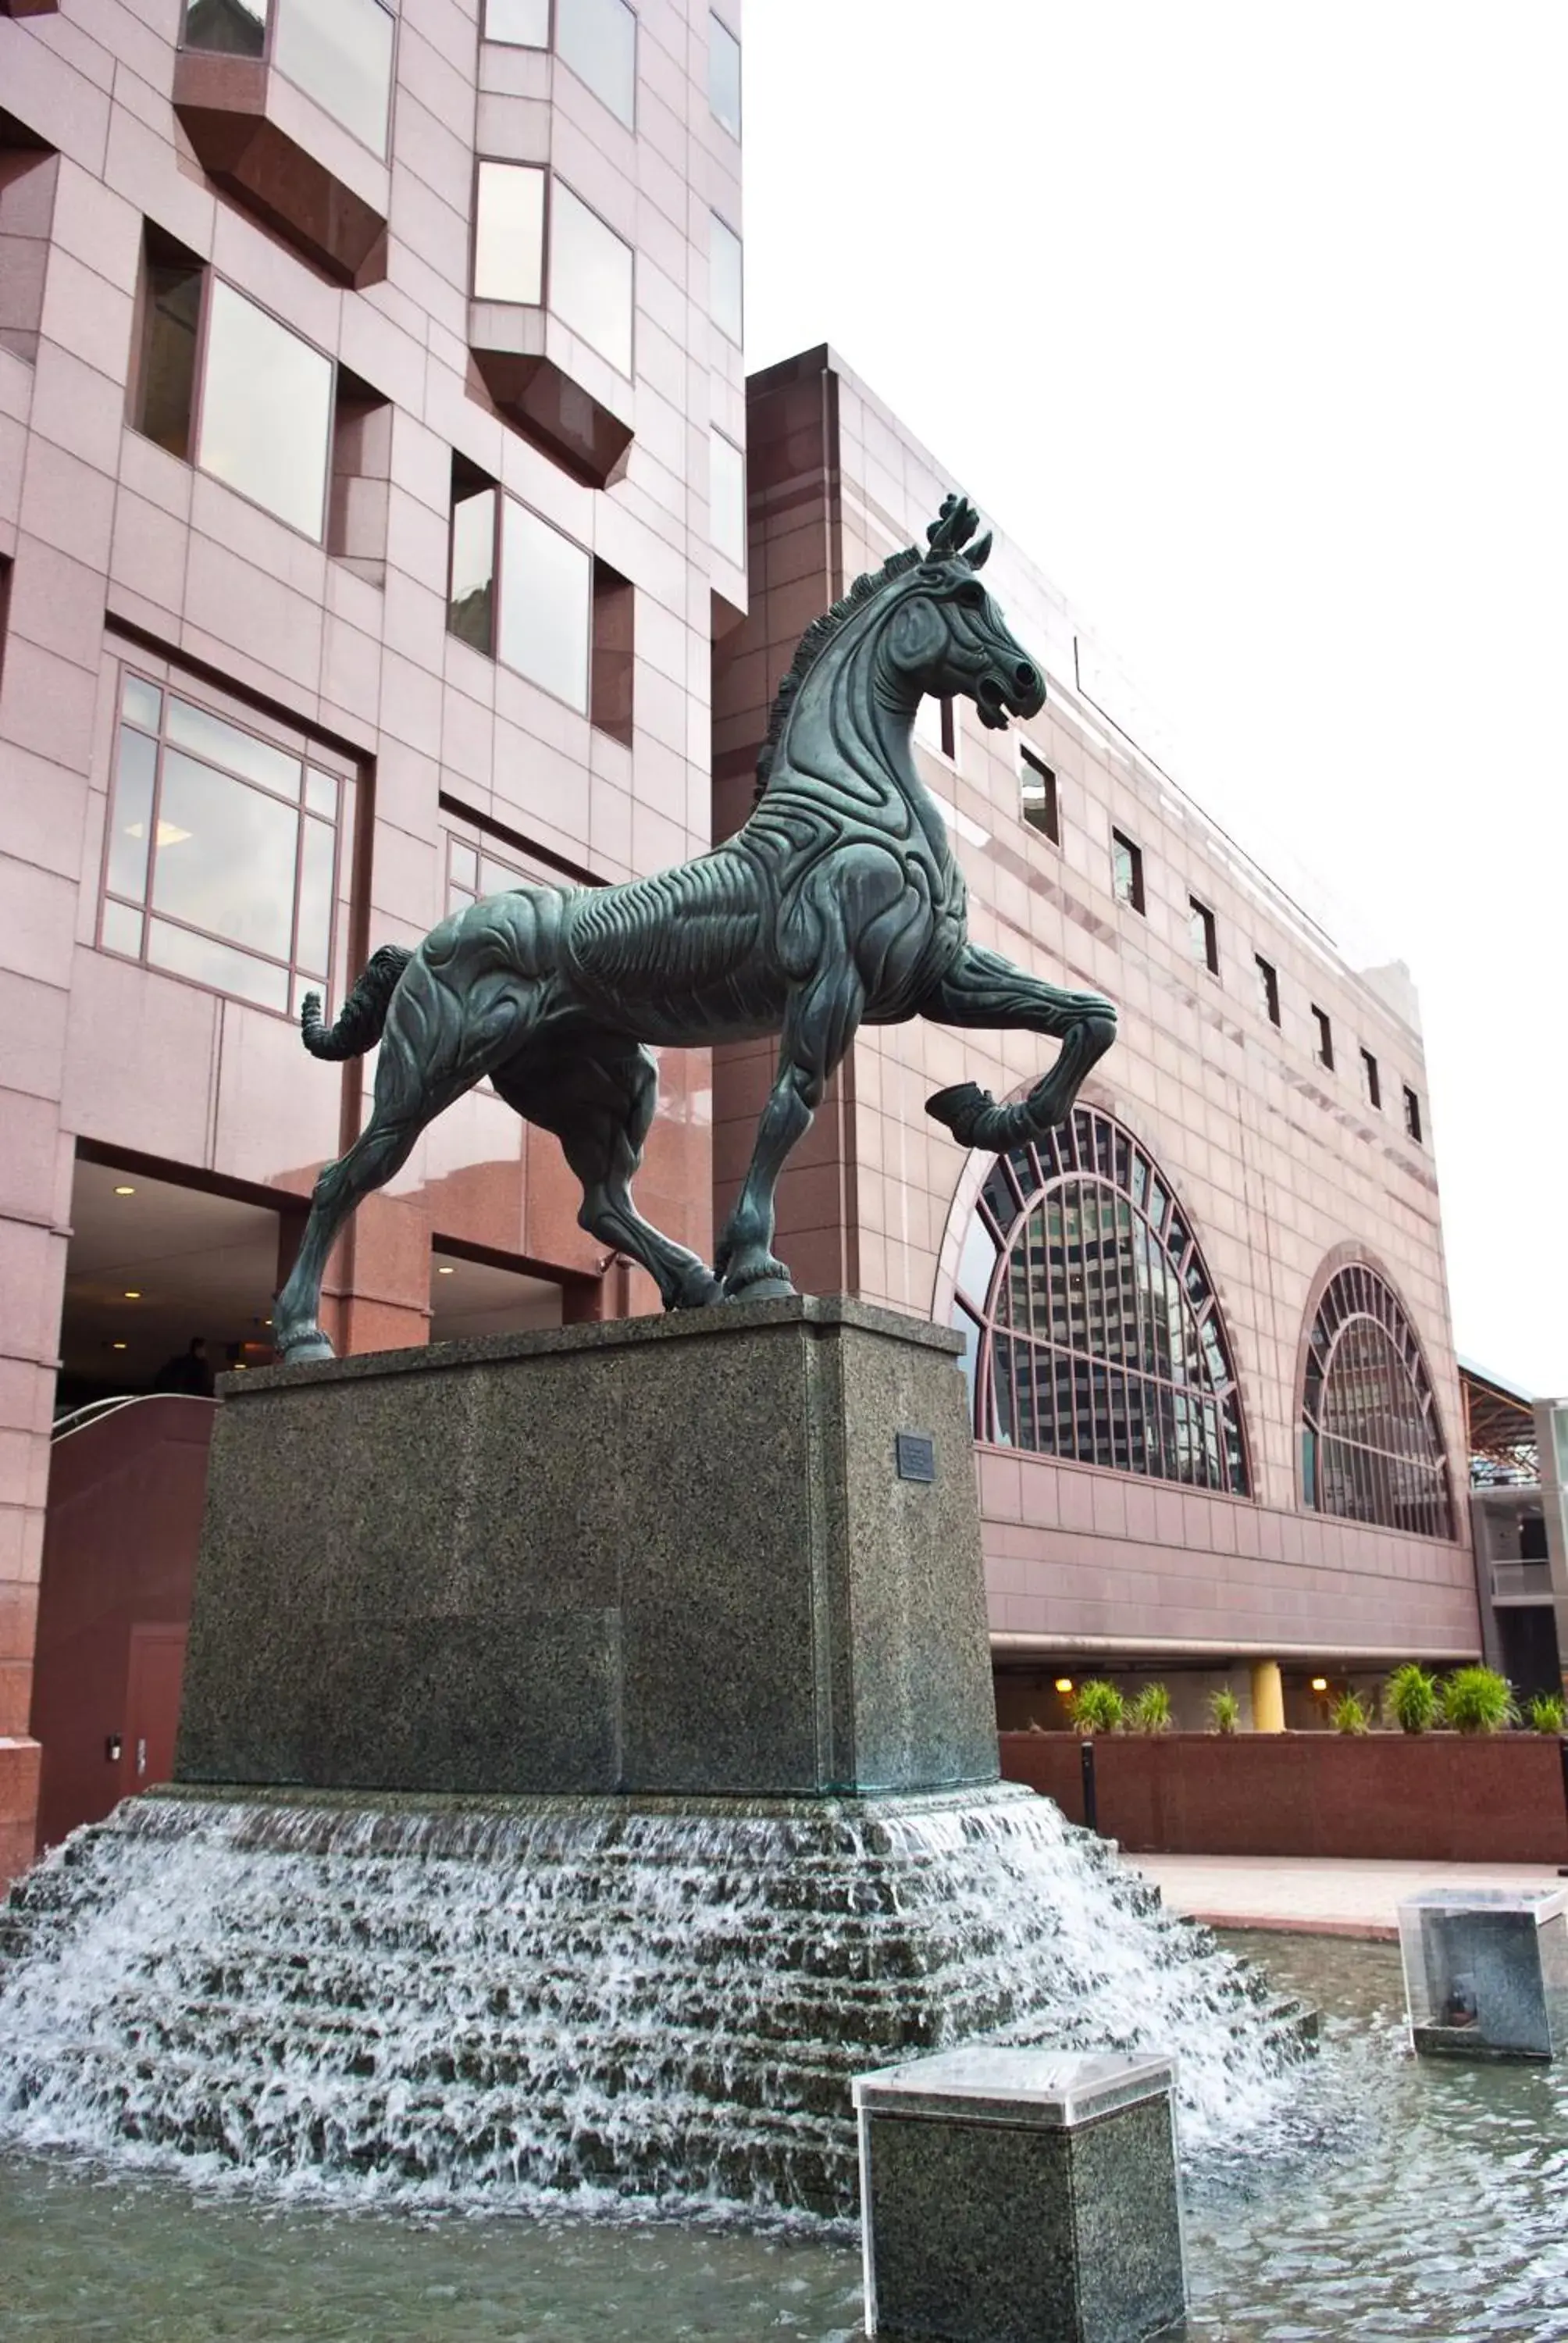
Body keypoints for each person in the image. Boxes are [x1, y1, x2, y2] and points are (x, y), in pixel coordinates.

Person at [151, 1336, 216, 1398]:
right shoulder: (188, 1364)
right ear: (197, 1349)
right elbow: (182, 1382)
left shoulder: (201, 1364)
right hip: (186, 1396)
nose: (205, 1352)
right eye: (203, 1349)